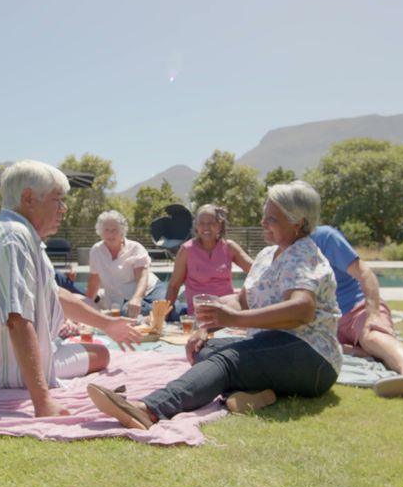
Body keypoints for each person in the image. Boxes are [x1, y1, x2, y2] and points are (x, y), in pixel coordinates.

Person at [87, 181, 341, 429]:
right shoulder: (267, 255)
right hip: (274, 348)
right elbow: (243, 300)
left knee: (228, 360)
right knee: (204, 349)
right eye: (265, 215)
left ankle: (149, 409)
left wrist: (234, 320)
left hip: (312, 357)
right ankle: (261, 394)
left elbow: (301, 310)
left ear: (298, 222)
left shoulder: (302, 254)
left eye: (272, 218)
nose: (263, 222)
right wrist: (207, 326)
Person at [0, 160, 142, 417]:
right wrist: (43, 402)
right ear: (28, 198)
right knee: (101, 354)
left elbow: (55, 294)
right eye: (58, 200)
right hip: (5, 372)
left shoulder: (5, 231)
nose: (64, 209)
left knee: (97, 349)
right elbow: (17, 319)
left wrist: (108, 324)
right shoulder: (14, 239)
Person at [311, 225, 403, 398]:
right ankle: (363, 351)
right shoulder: (281, 252)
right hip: (329, 323)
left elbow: (365, 274)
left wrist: (373, 314)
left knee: (371, 336)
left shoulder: (325, 237)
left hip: (356, 308)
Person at [164, 204, 253, 317]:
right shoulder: (186, 250)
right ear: (196, 226)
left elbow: (255, 270)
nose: (206, 227)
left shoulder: (229, 247)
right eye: (201, 223)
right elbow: (174, 286)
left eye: (211, 223)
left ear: (219, 226)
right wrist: (163, 316)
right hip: (200, 313)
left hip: (228, 311)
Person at [86, 210, 167, 318]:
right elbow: (94, 281)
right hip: (122, 302)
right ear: (100, 231)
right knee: (126, 313)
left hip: (150, 291)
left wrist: (137, 298)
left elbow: (142, 277)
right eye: (107, 230)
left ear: (122, 231)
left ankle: (163, 311)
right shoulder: (96, 251)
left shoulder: (135, 248)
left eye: (114, 230)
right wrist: (86, 305)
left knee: (162, 309)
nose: (110, 234)